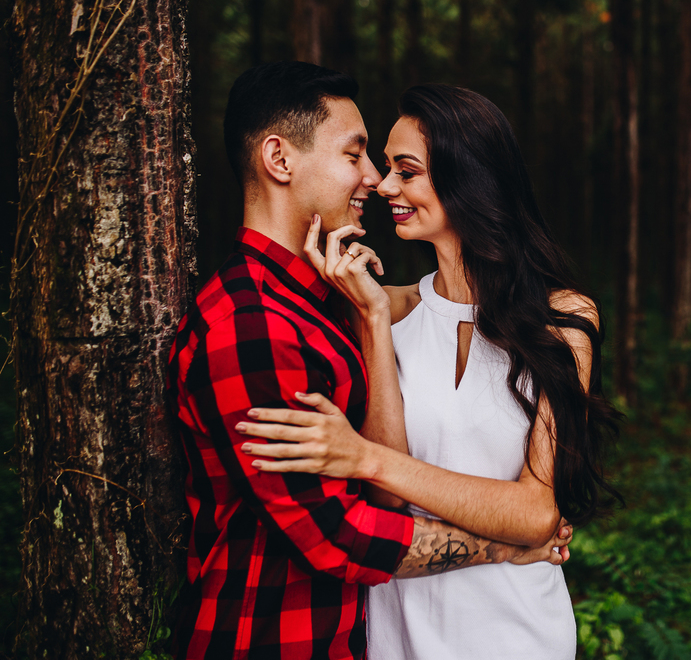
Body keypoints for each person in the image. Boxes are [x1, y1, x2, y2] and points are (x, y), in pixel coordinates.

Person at [166, 63, 570, 660]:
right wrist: (507, 546)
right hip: (270, 641)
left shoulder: (322, 303)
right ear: (280, 160)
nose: (375, 180)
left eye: (390, 165)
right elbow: (339, 535)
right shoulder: (251, 324)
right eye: (356, 155)